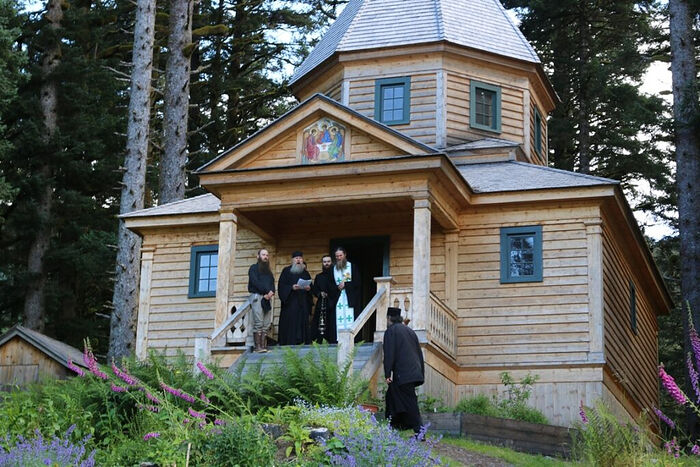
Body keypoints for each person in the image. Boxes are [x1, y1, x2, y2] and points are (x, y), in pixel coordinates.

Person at [383, 306, 424, 433]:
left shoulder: (391, 331)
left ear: (389, 318)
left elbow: (389, 353)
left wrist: (387, 373)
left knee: (410, 404)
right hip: (413, 371)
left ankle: (419, 432)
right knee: (392, 396)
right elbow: (419, 353)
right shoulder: (410, 331)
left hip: (403, 374)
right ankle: (394, 427)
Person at [277, 251, 312, 345]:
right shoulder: (286, 271)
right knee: (291, 323)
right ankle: (289, 342)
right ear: (292, 260)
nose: (298, 260)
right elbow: (281, 286)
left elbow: (310, 285)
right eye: (296, 258)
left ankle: (303, 342)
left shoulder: (305, 273)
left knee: (302, 322)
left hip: (302, 303)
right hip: (290, 303)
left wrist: (309, 288)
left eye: (300, 258)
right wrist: (291, 288)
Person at [247, 249, 275, 353]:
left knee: (266, 324)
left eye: (267, 255)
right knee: (259, 322)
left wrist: (271, 292)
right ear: (258, 256)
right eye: (263, 255)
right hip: (257, 297)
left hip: (267, 298)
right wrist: (266, 292)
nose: (265, 257)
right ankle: (257, 347)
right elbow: (255, 282)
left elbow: (272, 283)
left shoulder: (268, 271)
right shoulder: (253, 268)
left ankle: (263, 346)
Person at [329, 246, 361, 334]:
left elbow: (357, 283)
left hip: (349, 299)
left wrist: (346, 284)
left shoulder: (352, 267)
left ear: (345, 255)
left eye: (340, 255)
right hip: (337, 299)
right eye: (337, 256)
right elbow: (329, 285)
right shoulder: (332, 269)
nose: (339, 258)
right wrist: (337, 287)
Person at [311, 255, 336, 343]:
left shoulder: (335, 276)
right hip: (322, 303)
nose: (326, 264)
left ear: (331, 262)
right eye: (324, 262)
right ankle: (320, 341)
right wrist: (320, 293)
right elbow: (315, 290)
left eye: (328, 261)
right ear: (322, 263)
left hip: (333, 302)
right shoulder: (319, 276)